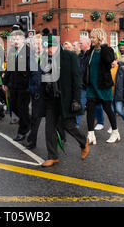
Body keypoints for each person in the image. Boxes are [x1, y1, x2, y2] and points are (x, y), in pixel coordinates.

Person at [40, 34, 89, 167]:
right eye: (47, 47)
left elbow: (77, 79)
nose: (49, 50)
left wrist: (77, 100)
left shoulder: (69, 56)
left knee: (69, 126)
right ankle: (52, 156)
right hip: (51, 99)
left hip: (66, 99)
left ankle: (83, 142)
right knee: (49, 128)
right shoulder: (45, 58)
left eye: (51, 47)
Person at [84, 28, 119, 145]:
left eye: (93, 37)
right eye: (91, 37)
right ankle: (91, 134)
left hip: (103, 85)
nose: (91, 39)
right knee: (90, 110)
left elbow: (109, 60)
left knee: (108, 109)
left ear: (99, 38)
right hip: (91, 86)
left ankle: (115, 132)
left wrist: (103, 45)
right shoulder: (91, 51)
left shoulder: (107, 50)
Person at [3, 30, 31, 142]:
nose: (15, 41)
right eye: (14, 39)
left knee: (22, 107)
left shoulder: (28, 52)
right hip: (13, 85)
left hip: (24, 87)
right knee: (13, 106)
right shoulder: (12, 51)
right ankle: (28, 121)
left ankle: (23, 130)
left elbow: (30, 71)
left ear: (23, 40)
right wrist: (5, 82)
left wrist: (29, 85)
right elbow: (9, 68)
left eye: (18, 39)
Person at [26, 33, 45, 149]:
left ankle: (31, 139)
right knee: (35, 116)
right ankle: (32, 139)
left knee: (54, 119)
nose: (36, 46)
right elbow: (30, 75)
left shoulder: (48, 57)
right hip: (34, 92)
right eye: (34, 44)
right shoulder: (31, 57)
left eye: (38, 44)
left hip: (46, 93)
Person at [110, 59, 124, 131]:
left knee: (119, 110)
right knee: (112, 112)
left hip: (119, 94)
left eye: (112, 61)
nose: (111, 63)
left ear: (116, 60)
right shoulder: (108, 68)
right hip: (109, 94)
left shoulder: (123, 69)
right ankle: (113, 127)